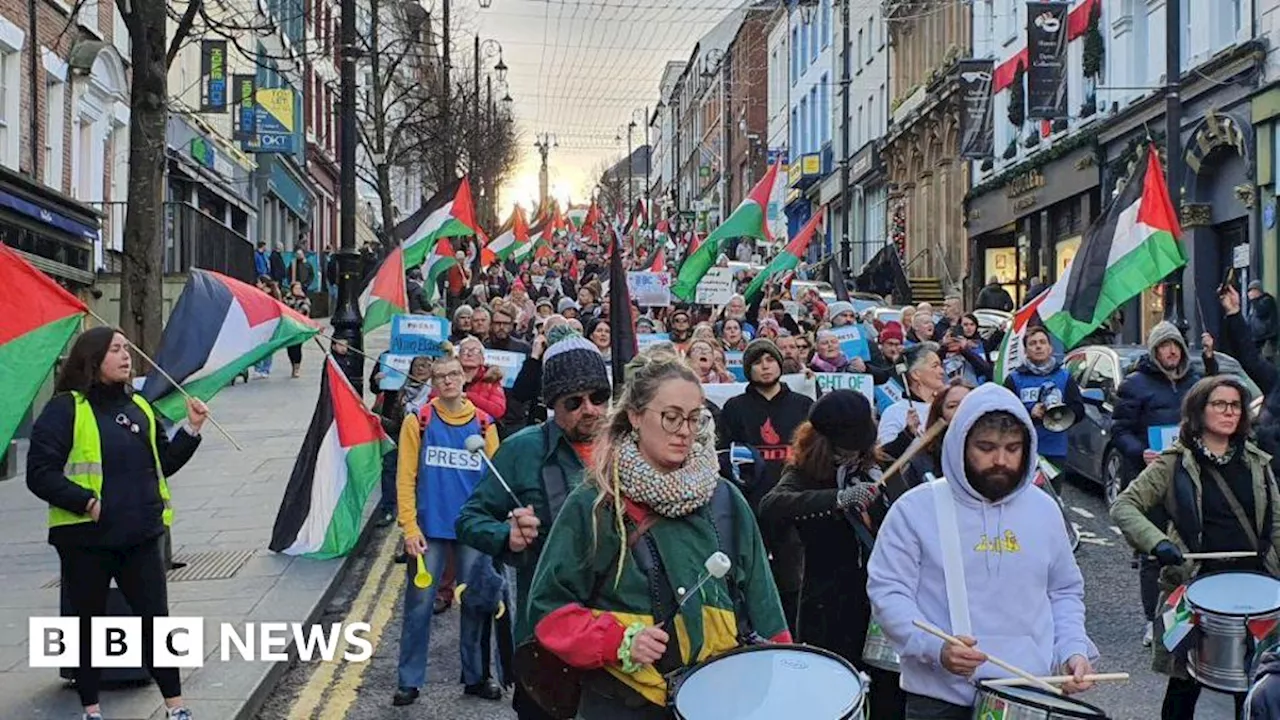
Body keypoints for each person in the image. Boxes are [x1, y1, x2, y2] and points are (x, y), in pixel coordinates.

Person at [524, 351, 791, 719]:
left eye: (694, 419)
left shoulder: (725, 499)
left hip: (721, 703)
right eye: (671, 417)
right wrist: (620, 640)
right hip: (623, 703)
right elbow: (547, 611)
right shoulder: (594, 504)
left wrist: (779, 687)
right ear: (635, 416)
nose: (684, 431)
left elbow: (765, 607)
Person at [868, 383, 1099, 719]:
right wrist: (935, 648)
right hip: (939, 699)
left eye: (1013, 448)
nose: (1001, 460)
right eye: (986, 448)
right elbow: (888, 592)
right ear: (960, 444)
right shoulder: (915, 509)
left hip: (1029, 693)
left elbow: (1063, 591)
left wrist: (1073, 650)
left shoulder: (1045, 510)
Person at [26, 327, 207, 720]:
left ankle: (176, 707)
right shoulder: (65, 409)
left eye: (127, 349)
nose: (126, 357)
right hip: (86, 540)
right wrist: (87, 501)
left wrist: (192, 430)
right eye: (115, 350)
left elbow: (164, 463)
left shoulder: (139, 406)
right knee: (88, 625)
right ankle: (92, 708)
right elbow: (39, 473)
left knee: (155, 623)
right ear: (92, 359)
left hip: (140, 536)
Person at [456, 334, 612, 720]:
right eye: (574, 402)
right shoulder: (522, 450)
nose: (590, 410)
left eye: (599, 397)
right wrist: (506, 536)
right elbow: (469, 519)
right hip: (547, 634)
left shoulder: (630, 446)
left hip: (617, 630)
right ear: (551, 404)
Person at [1111, 375, 1280, 720]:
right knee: (1184, 680)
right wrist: (1156, 542)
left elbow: (1276, 523)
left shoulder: (1257, 462)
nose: (1229, 412)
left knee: (1253, 679)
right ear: (1198, 410)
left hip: (1255, 586)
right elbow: (1124, 506)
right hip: (1194, 587)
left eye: (1235, 405)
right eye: (1219, 404)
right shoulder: (1173, 462)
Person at [760, 390, 906, 720]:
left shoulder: (879, 467)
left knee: (887, 696)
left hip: (881, 601)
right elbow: (772, 505)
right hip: (829, 603)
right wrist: (838, 499)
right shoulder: (805, 472)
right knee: (834, 696)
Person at [393, 355, 503, 706]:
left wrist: (494, 528)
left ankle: (476, 677)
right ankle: (408, 681)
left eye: (453, 374)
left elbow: (496, 485)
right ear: (434, 383)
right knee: (419, 606)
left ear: (463, 378)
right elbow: (405, 478)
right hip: (431, 529)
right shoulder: (419, 421)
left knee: (476, 603)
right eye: (440, 376)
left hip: (473, 529)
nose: (447, 381)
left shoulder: (485, 424)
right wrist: (409, 528)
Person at [1111, 320, 1218, 646]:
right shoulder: (1135, 384)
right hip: (1152, 476)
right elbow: (1120, 429)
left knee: (1194, 547)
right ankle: (1152, 619)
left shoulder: (1196, 382)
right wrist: (1138, 452)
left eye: (1175, 345)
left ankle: (1197, 615)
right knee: (1154, 551)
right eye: (1163, 346)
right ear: (1154, 350)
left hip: (1192, 477)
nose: (1171, 351)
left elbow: (1214, 412)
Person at [719, 339, 815, 631]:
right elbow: (725, 454)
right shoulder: (735, 408)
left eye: (770, 360)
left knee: (793, 580)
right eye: (758, 361)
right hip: (751, 506)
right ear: (748, 368)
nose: (765, 366)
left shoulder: (803, 405)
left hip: (793, 507)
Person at [1001, 326, 1083, 490]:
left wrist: (1060, 413)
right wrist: (1029, 414)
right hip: (1023, 450)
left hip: (1054, 450)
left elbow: (1079, 410)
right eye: (1032, 343)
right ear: (1026, 351)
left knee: (1052, 497)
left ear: (1050, 348)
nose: (1038, 346)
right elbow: (1004, 415)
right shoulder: (1014, 379)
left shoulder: (1064, 377)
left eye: (1042, 342)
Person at [897, 380, 973, 492]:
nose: (960, 410)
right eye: (952, 406)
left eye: (967, 404)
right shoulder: (923, 460)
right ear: (940, 415)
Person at [878, 342, 947, 459]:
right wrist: (908, 433)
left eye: (941, 366)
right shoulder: (894, 412)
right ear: (916, 374)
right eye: (935, 366)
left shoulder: (947, 405)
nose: (942, 372)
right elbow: (884, 457)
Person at [486, 304, 534, 437]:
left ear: (512, 325)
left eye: (505, 324)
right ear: (491, 325)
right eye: (497, 323)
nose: (501, 327)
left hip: (515, 413)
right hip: (489, 412)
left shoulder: (523, 348)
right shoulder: (483, 347)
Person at [455, 336, 507, 421]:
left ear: (482, 359)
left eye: (475, 351)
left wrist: (469, 397)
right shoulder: (448, 375)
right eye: (464, 350)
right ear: (458, 356)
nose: (469, 354)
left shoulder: (491, 379)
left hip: (480, 426)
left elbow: (498, 411)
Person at [285, 281, 311, 378]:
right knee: (290, 348)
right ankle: (293, 365)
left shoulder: (305, 299)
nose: (298, 290)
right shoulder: (287, 298)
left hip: (300, 327)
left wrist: (295, 313)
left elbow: (305, 310)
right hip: (289, 327)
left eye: (299, 288)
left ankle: (297, 368)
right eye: (296, 288)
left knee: (297, 348)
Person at [1249, 279, 1280, 361]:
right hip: (1258, 338)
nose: (1251, 293)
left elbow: (1261, 313)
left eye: (1253, 290)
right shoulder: (1256, 303)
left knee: (1267, 360)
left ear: (1258, 290)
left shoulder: (1267, 300)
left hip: (1267, 337)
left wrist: (1254, 300)